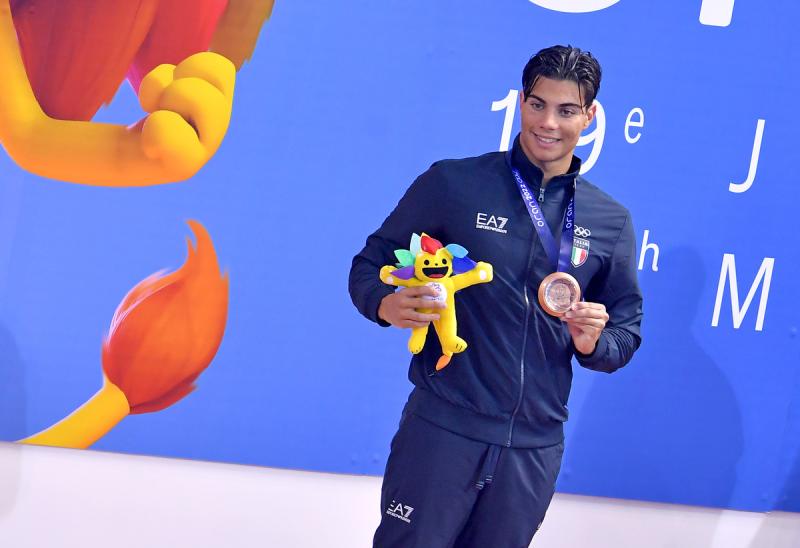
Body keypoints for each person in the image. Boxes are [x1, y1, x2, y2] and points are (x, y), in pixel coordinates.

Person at [349, 45, 643, 548]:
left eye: (566, 110)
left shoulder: (609, 221)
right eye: (537, 104)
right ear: (521, 102)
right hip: (442, 431)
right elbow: (368, 265)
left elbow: (625, 332)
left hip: (532, 451)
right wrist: (384, 303)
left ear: (589, 116)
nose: (548, 123)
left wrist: (594, 342)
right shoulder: (454, 183)